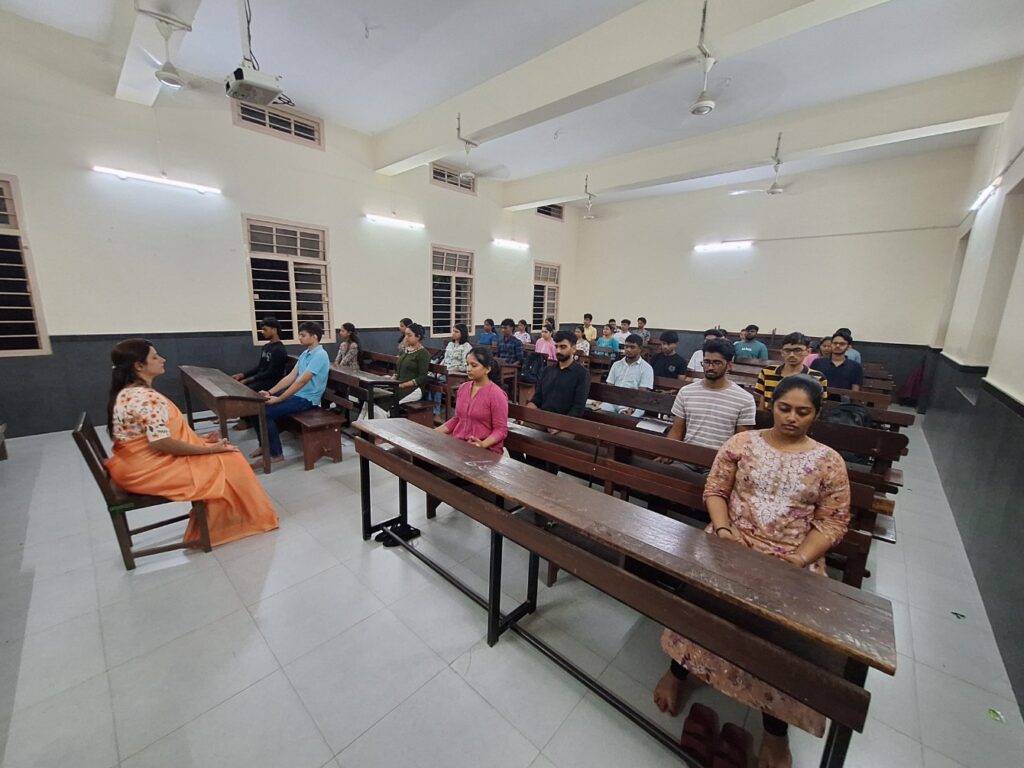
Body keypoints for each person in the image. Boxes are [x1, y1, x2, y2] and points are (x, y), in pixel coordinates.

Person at [653, 375, 850, 768]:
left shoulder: (828, 461)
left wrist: (799, 559)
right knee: (698, 608)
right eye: (784, 408)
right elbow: (715, 490)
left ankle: (775, 732)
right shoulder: (742, 443)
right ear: (771, 406)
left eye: (802, 412)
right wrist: (724, 531)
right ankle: (678, 673)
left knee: (782, 642)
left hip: (790, 558)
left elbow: (832, 521)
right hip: (731, 542)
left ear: (816, 414)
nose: (791, 417)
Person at [105, 339, 279, 547]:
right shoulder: (144, 398)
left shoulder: (128, 392)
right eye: (155, 357)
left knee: (227, 455)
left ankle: (230, 520)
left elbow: (151, 437)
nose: (162, 359)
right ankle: (228, 524)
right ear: (139, 366)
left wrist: (201, 440)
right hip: (148, 469)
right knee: (229, 460)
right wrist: (207, 450)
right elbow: (161, 443)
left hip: (133, 464)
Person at [251, 321, 330, 464]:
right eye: (300, 335)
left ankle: (276, 454)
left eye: (303, 335)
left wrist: (279, 399)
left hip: (307, 399)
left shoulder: (320, 355)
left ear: (314, 337)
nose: (300, 338)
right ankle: (264, 446)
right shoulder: (305, 353)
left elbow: (301, 382)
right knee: (256, 407)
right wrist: (270, 392)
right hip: (297, 395)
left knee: (266, 412)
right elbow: (291, 377)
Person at [661, 339, 756, 455]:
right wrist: (668, 452)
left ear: (729, 365)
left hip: (720, 460)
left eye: (717, 363)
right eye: (706, 362)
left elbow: (740, 443)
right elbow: (676, 430)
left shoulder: (744, 399)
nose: (710, 367)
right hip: (686, 456)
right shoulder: (686, 392)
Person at [435, 346, 509, 454]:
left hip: (486, 450)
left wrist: (482, 444)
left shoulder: (497, 394)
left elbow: (501, 430)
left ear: (487, 369)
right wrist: (434, 432)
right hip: (461, 445)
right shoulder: (463, 388)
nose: (468, 369)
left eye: (474, 365)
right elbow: (457, 419)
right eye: (467, 364)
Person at [231, 317, 288, 431]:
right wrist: (243, 375)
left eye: (265, 329)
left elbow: (271, 372)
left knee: (248, 389)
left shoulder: (279, 350)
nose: (262, 332)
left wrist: (249, 380)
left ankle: (248, 420)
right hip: (263, 378)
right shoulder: (266, 347)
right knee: (242, 385)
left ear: (274, 330)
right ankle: (244, 416)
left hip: (273, 381)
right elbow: (260, 367)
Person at [527, 331, 590, 429]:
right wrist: (525, 414)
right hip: (543, 419)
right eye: (556, 347)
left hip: (567, 423)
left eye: (563, 347)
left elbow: (578, 408)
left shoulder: (582, 374)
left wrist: (560, 426)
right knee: (518, 430)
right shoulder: (547, 371)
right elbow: (537, 399)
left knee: (559, 438)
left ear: (573, 349)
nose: (558, 351)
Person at [754, 332, 827, 409]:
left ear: (808, 351)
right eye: (787, 350)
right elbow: (762, 404)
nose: (791, 355)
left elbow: (818, 407)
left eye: (797, 350)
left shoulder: (818, 377)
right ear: (782, 352)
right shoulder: (767, 372)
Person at [373, 322, 431, 415]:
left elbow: (422, 377)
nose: (406, 337)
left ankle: (379, 423)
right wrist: (393, 378)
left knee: (384, 402)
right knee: (374, 397)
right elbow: (399, 369)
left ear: (418, 337)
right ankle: (363, 423)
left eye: (409, 335)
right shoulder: (405, 351)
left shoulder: (423, 354)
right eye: (405, 335)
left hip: (414, 388)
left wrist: (402, 385)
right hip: (399, 384)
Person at [598, 334, 654, 416]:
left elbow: (642, 393)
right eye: (626, 346)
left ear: (640, 349)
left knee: (627, 417)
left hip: (634, 403)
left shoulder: (646, 368)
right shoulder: (616, 364)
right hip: (614, 400)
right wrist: (601, 401)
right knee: (600, 412)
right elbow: (610, 386)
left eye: (632, 347)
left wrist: (632, 408)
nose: (628, 350)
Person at [811, 330, 863, 396]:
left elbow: (855, 392)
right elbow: (810, 384)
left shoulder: (855, 367)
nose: (838, 346)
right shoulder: (818, 362)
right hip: (820, 399)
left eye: (842, 344)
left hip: (843, 401)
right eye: (835, 343)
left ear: (848, 347)